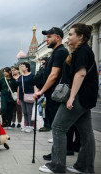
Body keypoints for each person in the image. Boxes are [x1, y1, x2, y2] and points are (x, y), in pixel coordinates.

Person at [39, 23, 97, 174]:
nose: (68, 36)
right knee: (86, 133)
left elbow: (80, 74)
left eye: (71, 34)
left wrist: (71, 97)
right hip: (85, 98)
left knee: (58, 128)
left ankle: (57, 166)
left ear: (81, 36)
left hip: (78, 97)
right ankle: (84, 166)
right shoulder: (81, 50)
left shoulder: (82, 51)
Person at [33, 27, 69, 161]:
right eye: (46, 37)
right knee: (56, 125)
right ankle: (62, 150)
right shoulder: (55, 52)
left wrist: (41, 91)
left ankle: (58, 155)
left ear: (58, 37)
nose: (46, 39)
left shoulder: (60, 52)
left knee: (57, 127)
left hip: (56, 95)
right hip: (52, 95)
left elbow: (54, 75)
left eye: (49, 37)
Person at [17, 62, 35, 133]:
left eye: (23, 66)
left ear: (27, 67)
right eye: (21, 66)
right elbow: (18, 87)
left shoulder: (32, 76)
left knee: (29, 111)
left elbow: (35, 85)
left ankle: (31, 126)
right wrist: (18, 97)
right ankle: (26, 125)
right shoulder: (20, 77)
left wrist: (35, 94)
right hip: (22, 96)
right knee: (24, 111)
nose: (21, 68)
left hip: (29, 95)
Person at [35, 57, 50, 132]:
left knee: (46, 109)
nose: (42, 64)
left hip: (48, 92)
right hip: (42, 91)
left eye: (44, 63)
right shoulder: (41, 70)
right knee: (42, 109)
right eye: (42, 63)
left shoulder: (48, 70)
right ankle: (46, 125)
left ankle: (48, 125)